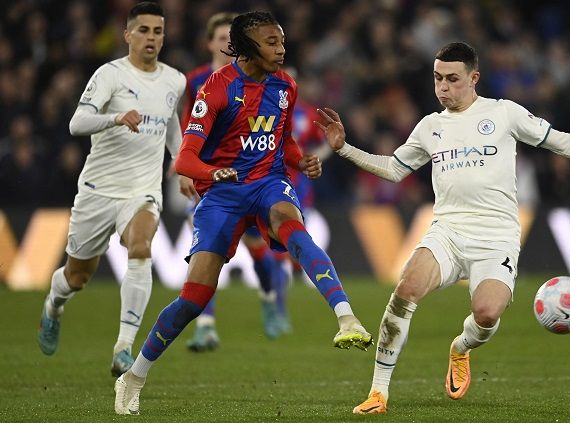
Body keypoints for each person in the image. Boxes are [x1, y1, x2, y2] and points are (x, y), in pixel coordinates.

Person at [315, 42, 570, 415]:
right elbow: (393, 169)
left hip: (497, 235)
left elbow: (561, 142)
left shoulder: (504, 114)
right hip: (448, 231)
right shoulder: (430, 127)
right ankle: (378, 393)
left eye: (452, 79)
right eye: (438, 79)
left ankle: (461, 348)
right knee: (406, 289)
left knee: (486, 314)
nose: (443, 88)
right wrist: (344, 149)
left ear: (474, 78)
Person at [114, 11, 372, 416]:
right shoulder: (216, 89)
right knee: (193, 299)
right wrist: (214, 172)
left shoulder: (286, 86)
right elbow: (185, 161)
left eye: (282, 41)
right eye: (272, 42)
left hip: (268, 182)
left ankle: (346, 317)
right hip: (223, 194)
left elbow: (282, 141)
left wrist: (302, 161)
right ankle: (136, 375)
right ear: (249, 47)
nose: (282, 49)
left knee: (295, 229)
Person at [36, 1, 185, 377]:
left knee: (141, 247)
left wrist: (183, 166)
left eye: (158, 31)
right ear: (128, 35)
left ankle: (124, 347)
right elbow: (77, 122)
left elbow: (172, 129)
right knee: (77, 277)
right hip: (99, 190)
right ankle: (54, 305)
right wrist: (116, 117)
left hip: (144, 190)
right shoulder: (109, 75)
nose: (152, 37)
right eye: (144, 30)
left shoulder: (174, 80)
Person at [177, 12, 290, 349]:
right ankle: (206, 325)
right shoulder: (197, 81)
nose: (229, 42)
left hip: (248, 177)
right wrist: (186, 168)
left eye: (233, 36)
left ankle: (270, 297)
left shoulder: (261, 80)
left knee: (256, 247)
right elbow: (188, 126)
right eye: (222, 36)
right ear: (210, 43)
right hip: (208, 178)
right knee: (205, 250)